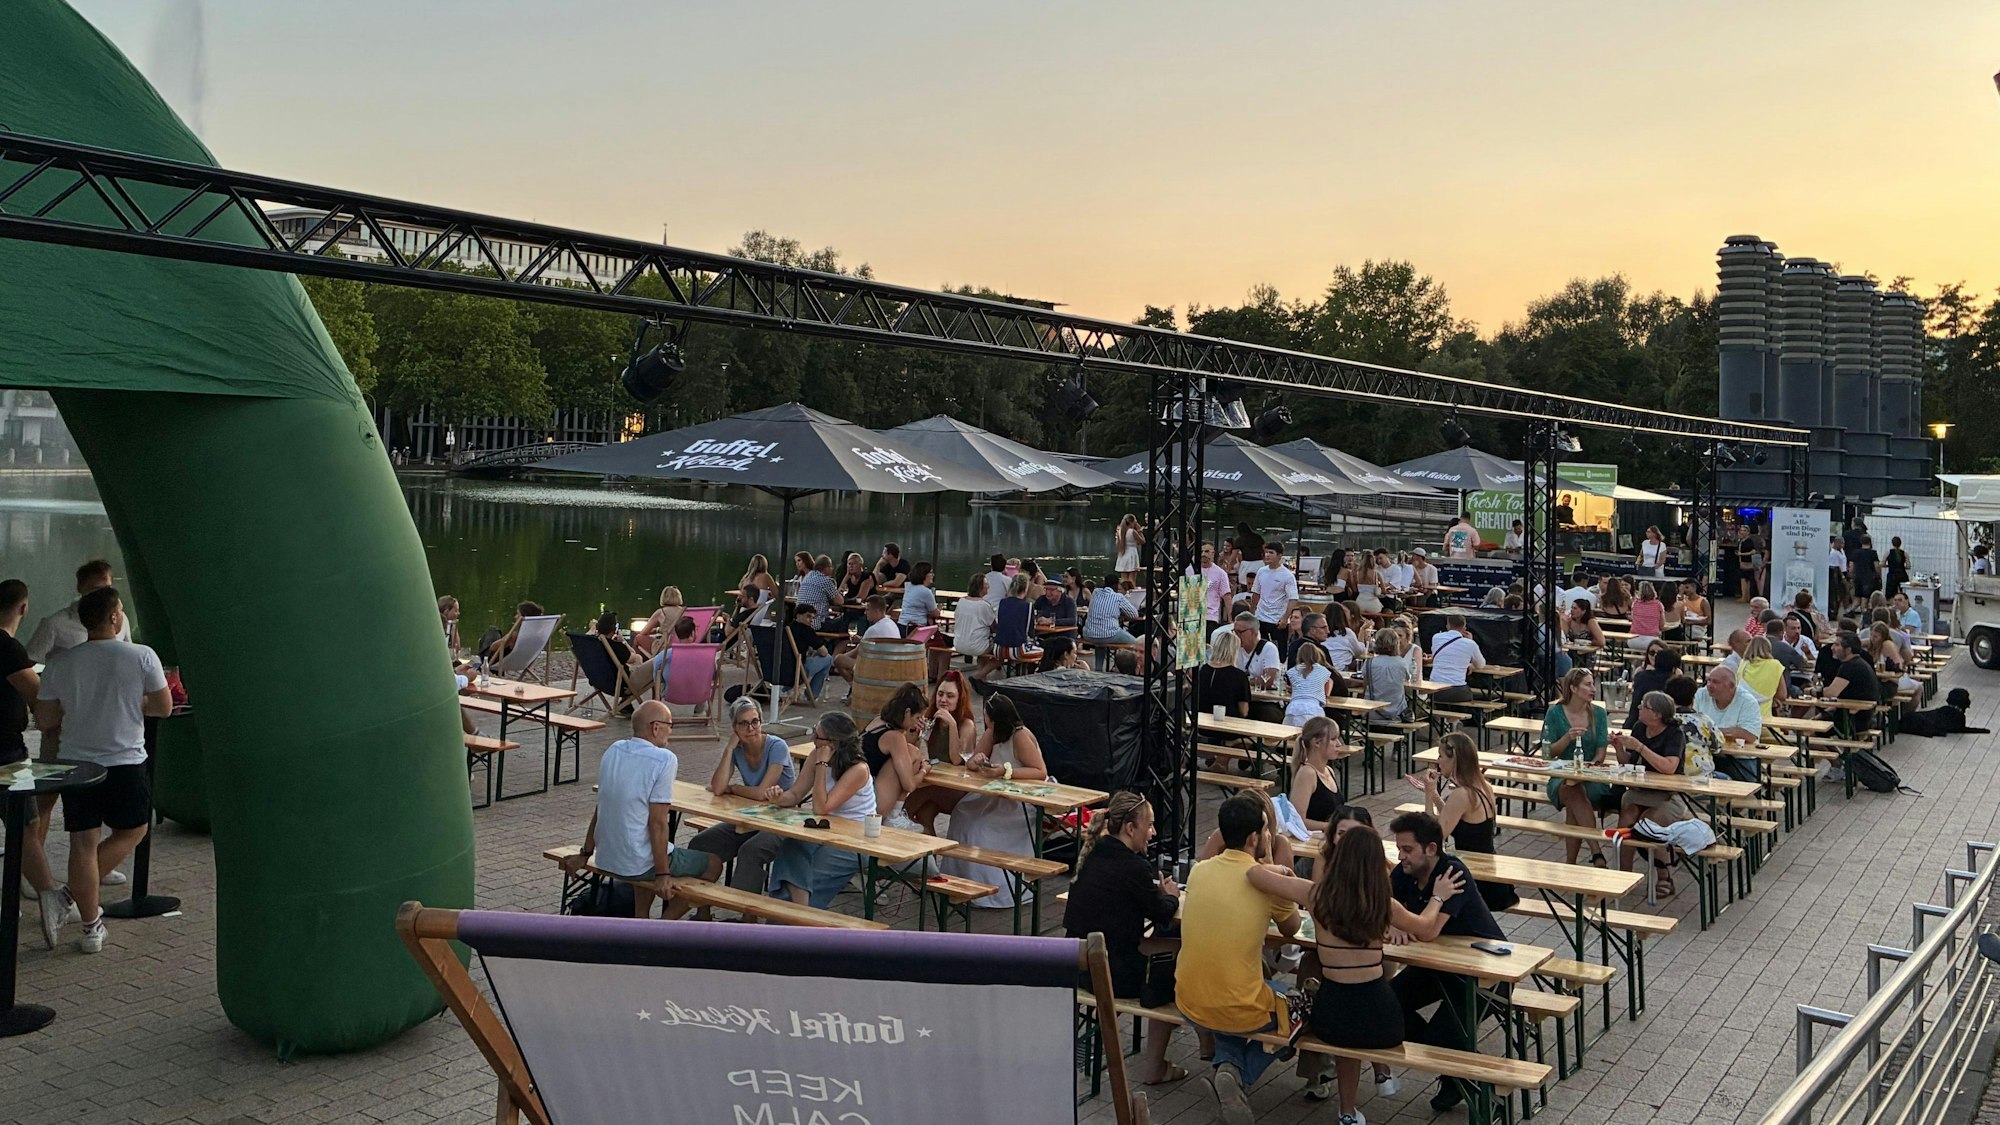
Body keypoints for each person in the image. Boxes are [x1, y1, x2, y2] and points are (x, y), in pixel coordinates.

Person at [34, 586, 172, 953]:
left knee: (83, 841)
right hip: (125, 759)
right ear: (114, 618)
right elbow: (164, 707)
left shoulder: (61, 663)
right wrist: (131, 701)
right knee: (134, 829)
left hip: (75, 762)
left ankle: (91, 926)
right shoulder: (142, 656)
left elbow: (45, 718)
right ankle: (67, 897)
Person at [1176, 795, 1302, 1124]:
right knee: (1299, 1008)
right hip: (1234, 1006)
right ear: (1255, 838)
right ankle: (1239, 1073)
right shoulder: (1267, 882)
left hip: (1188, 1000)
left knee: (1241, 991)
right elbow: (1292, 930)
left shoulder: (1200, 871)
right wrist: (1275, 868)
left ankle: (1228, 1068)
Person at [1294, 823, 1414, 1123]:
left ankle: (1347, 1111)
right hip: (1380, 1018)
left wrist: (1280, 871)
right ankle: (1381, 1074)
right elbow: (1426, 926)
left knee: (1346, 1030)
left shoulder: (1317, 895)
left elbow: (1255, 876)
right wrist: (1439, 897)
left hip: (1332, 1016)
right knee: (1368, 1012)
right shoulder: (1384, 904)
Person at [1062, 792, 1184, 1086]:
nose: (1153, 832)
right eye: (1150, 825)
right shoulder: (1133, 866)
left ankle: (1194, 1048)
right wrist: (1170, 895)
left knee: (1174, 947)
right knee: (1180, 963)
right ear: (1131, 828)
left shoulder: (1093, 853)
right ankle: (1159, 1064)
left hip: (1076, 963)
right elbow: (1161, 913)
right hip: (1108, 971)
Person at [1385, 811, 1504, 1112]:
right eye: (1399, 849)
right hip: (1437, 969)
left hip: (1487, 975)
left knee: (1443, 1035)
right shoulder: (1404, 873)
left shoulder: (1453, 874)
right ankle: (1455, 1072)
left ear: (1431, 849)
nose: (1401, 856)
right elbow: (1382, 908)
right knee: (1387, 1002)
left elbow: (1428, 931)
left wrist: (1430, 902)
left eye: (1407, 849)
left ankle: (1474, 1086)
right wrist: (1394, 924)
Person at [560, 701, 723, 918]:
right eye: (670, 725)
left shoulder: (614, 750)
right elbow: (657, 823)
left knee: (642, 847)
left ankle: (644, 918)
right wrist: (663, 874)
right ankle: (661, 929)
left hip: (606, 857)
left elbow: (603, 806)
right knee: (713, 863)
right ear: (656, 727)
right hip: (635, 863)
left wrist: (586, 852)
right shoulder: (664, 759)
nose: (671, 731)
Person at [0, 579, 72, 949]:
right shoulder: (7, 647)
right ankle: (48, 896)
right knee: (26, 824)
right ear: (23, 608)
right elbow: (37, 695)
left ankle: (39, 896)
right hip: (7, 753)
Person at [940, 694, 1046, 908]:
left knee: (981, 826)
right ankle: (960, 883)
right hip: (995, 794)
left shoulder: (1020, 736)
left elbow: (1039, 771)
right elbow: (972, 761)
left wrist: (1006, 772)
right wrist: (977, 761)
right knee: (962, 813)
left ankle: (992, 888)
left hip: (1019, 800)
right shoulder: (992, 733)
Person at [767, 711, 877, 907]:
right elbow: (795, 794)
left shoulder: (858, 770)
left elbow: (820, 808)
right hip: (824, 831)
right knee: (791, 847)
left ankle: (801, 914)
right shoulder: (814, 755)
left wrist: (822, 764)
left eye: (817, 736)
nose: (812, 739)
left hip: (854, 839)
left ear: (833, 743)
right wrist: (778, 798)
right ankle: (799, 910)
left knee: (804, 880)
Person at [689, 698, 797, 895]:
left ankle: (747, 918)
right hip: (752, 816)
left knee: (750, 850)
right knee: (700, 843)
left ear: (761, 722)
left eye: (755, 721)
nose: (751, 728)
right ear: (735, 728)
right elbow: (718, 787)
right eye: (743, 723)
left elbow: (762, 793)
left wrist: (735, 788)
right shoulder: (737, 750)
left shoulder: (777, 746)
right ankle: (701, 909)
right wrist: (729, 748)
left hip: (783, 819)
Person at [1411, 731, 1517, 911]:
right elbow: (1456, 819)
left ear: (1455, 760)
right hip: (1490, 872)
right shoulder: (1483, 786)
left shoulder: (1461, 794)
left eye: (1441, 756)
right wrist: (1436, 795)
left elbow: (1433, 837)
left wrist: (1429, 795)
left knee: (1416, 879)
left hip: (1475, 880)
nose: (1438, 761)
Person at [1610, 692, 1687, 885]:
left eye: (1644, 706)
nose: (1639, 708)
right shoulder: (1639, 727)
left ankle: (1664, 876)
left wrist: (1640, 747)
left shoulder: (1674, 733)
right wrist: (1619, 748)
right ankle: (1624, 875)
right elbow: (1628, 763)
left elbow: (1669, 767)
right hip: (1641, 792)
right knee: (1626, 819)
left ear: (1657, 714)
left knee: (1648, 824)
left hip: (1668, 795)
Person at [1540, 667, 1614, 865]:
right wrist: (1567, 738)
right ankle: (1596, 852)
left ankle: (1571, 864)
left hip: (1591, 776)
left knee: (1575, 795)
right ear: (1573, 688)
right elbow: (1547, 753)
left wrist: (1593, 765)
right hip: (1561, 774)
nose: (1593, 689)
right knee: (1572, 788)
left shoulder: (1598, 713)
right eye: (1588, 684)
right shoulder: (1555, 712)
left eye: (1593, 684)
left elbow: (1601, 750)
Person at [862, 683, 932, 833]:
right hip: (871, 802)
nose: (918, 721)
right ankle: (893, 817)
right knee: (912, 753)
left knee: (911, 751)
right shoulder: (894, 738)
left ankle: (893, 816)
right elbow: (910, 785)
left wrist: (915, 731)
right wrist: (924, 770)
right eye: (918, 717)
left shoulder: (878, 722)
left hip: (859, 789)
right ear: (907, 712)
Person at [1696, 664, 1763, 782]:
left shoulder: (1747, 702)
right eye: (1708, 681)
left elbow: (1749, 735)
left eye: (1715, 682)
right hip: (1708, 756)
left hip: (1740, 760)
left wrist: (1711, 731)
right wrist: (1730, 732)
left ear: (1731, 686)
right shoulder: (1701, 694)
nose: (1709, 685)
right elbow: (1693, 724)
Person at [1285, 716, 1346, 834]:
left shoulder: (1329, 770)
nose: (1338, 744)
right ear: (1316, 742)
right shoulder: (1307, 773)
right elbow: (1298, 820)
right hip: (1312, 841)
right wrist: (1332, 827)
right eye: (1333, 739)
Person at [832, 596, 905, 686]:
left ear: (877, 611)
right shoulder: (891, 624)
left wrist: (841, 658)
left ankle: (855, 689)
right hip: (891, 665)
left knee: (839, 660)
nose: (865, 613)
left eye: (868, 610)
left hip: (877, 668)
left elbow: (858, 651)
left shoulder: (873, 629)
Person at [585, 611, 657, 700]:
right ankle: (655, 704)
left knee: (638, 660)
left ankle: (626, 706)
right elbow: (633, 656)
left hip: (600, 682)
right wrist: (623, 641)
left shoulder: (591, 645)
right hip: (623, 686)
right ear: (615, 629)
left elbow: (587, 636)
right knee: (657, 661)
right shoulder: (616, 647)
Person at [1427, 613, 1487, 711]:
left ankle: (1446, 721)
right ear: (1464, 627)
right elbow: (1481, 665)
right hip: (1457, 690)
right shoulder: (1470, 644)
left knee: (1444, 697)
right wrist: (1470, 642)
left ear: (1448, 626)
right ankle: (1456, 721)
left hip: (1435, 690)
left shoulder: (1436, 637)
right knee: (1469, 693)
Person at [1248, 542, 1299, 649]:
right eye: (1266, 552)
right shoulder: (1261, 571)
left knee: (1279, 651)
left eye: (1271, 552)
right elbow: (1256, 592)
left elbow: (1293, 599)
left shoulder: (1287, 575)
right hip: (1260, 617)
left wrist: (1285, 618)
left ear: (1279, 556)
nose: (1267, 555)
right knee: (1260, 648)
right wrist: (1252, 612)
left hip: (1277, 620)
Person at [783, 603, 837, 701]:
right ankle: (811, 694)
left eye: (812, 617)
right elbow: (824, 653)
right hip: (796, 673)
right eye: (808, 616)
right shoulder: (807, 631)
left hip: (779, 671)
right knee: (828, 659)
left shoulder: (785, 628)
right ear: (798, 615)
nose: (811, 620)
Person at [1197, 631, 1254, 720]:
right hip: (1229, 727)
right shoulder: (1239, 676)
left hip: (1201, 723)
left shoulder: (1203, 670)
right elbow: (1244, 711)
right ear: (1234, 650)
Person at [1360, 630, 1411, 724]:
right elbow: (1407, 680)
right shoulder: (1402, 663)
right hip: (1396, 714)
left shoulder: (1369, 663)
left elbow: (1365, 686)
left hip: (1372, 713)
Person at [1082, 570, 1141, 650]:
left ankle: (1098, 663)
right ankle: (1129, 661)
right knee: (1136, 643)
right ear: (1117, 585)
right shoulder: (1118, 597)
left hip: (1089, 634)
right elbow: (1134, 614)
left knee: (1100, 642)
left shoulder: (1096, 593)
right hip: (1109, 634)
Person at [954, 573, 999, 677]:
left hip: (958, 644)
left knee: (983, 644)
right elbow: (995, 627)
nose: (988, 586)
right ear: (980, 587)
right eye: (986, 584)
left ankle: (982, 679)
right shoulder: (984, 605)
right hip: (977, 646)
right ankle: (979, 675)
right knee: (1003, 653)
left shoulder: (961, 601)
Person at [1225, 612, 1284, 689]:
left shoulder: (1269, 649)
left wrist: (1242, 681)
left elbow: (1267, 680)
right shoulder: (1235, 647)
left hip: (1264, 699)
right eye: (1234, 632)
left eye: (1239, 632)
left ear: (1253, 632)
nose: (1236, 636)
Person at [1283, 642, 1335, 728]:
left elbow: (1294, 689)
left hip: (1293, 708)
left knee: (1290, 738)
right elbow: (1326, 693)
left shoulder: (1293, 671)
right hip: (1313, 709)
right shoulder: (1324, 671)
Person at [478, 600, 547, 665]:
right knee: (495, 631)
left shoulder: (515, 636)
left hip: (496, 661)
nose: (515, 617)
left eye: (517, 614)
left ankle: (482, 667)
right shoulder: (538, 636)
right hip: (523, 662)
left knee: (491, 630)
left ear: (524, 617)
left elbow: (492, 648)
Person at [1032, 577, 1079, 670]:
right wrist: (1037, 619)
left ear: (1060, 591)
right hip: (1045, 636)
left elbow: (1072, 620)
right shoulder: (1041, 600)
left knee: (1058, 648)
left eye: (1051, 590)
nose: (1048, 593)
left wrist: (1052, 621)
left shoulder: (1069, 602)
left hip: (1064, 636)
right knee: (1034, 645)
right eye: (1046, 589)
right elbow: (1033, 613)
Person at [1736, 636, 1787, 721]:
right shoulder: (1775, 665)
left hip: (1741, 718)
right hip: (1764, 719)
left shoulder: (1743, 664)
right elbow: (1782, 695)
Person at [992, 574, 1035, 667]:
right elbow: (1030, 630)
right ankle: (1024, 674)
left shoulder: (1002, 602)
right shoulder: (1028, 606)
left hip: (998, 648)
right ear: (1026, 588)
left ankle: (981, 675)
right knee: (1044, 651)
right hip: (1018, 649)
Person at [633, 586, 684, 656]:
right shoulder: (684, 612)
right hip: (682, 646)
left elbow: (644, 632)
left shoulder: (661, 612)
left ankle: (638, 663)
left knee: (638, 637)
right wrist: (658, 629)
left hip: (665, 648)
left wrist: (655, 630)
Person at [834, 552, 876, 630]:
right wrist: (846, 576)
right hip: (851, 609)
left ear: (860, 565)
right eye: (849, 564)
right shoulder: (849, 578)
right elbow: (838, 594)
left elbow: (860, 598)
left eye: (854, 564)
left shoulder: (867, 577)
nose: (851, 566)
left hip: (865, 610)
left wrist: (845, 601)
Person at [1319, 609, 1368, 674]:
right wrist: (1362, 630)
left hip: (1322, 671)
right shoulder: (1347, 633)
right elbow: (1360, 652)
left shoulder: (1321, 633)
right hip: (1341, 672)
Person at [897, 562, 940, 635]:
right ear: (924, 575)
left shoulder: (909, 586)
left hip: (902, 624)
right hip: (915, 628)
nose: (933, 575)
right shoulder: (925, 592)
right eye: (931, 572)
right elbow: (935, 613)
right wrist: (939, 609)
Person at [735, 553, 776, 628]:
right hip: (756, 613)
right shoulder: (766, 576)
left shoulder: (746, 578)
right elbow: (777, 595)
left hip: (743, 613)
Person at [1627, 581, 1666, 650]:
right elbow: (1661, 625)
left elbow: (1633, 619)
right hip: (1652, 640)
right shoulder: (1658, 605)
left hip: (1634, 639)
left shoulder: (1635, 604)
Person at [1850, 534, 1881, 606]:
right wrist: (1878, 576)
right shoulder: (1873, 553)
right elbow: (1877, 566)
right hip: (1869, 579)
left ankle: (1849, 611)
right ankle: (1863, 615)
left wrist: (1851, 575)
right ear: (1870, 542)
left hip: (1858, 577)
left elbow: (1851, 566)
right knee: (1865, 600)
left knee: (1857, 599)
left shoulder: (1855, 552)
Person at [1114, 514, 1145, 583]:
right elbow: (1142, 541)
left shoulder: (1120, 531)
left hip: (1123, 554)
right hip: (1131, 554)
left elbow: (1117, 545)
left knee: (1123, 579)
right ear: (1132, 522)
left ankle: (1124, 592)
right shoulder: (1132, 531)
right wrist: (1139, 530)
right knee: (1132, 579)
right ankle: (1131, 592)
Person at [1884, 536, 1910, 601]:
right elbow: (1908, 566)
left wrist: (1888, 565)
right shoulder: (1904, 553)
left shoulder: (1889, 552)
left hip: (1892, 575)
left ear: (1892, 543)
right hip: (1902, 575)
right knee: (1904, 594)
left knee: (1891, 595)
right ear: (1900, 544)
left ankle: (1893, 607)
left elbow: (1882, 563)